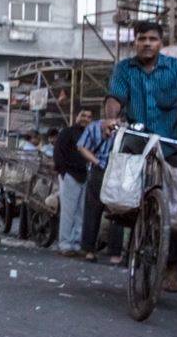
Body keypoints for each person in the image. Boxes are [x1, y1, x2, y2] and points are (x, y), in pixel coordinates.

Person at [104, 21, 177, 293]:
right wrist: (111, 119)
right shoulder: (125, 69)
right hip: (138, 139)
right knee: (120, 187)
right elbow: (115, 98)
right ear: (135, 42)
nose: (147, 43)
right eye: (142, 38)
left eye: (152, 39)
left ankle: (171, 264)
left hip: (171, 142)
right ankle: (128, 222)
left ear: (161, 43)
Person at [77, 116, 126, 264]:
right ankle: (97, 252)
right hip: (105, 171)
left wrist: (96, 161)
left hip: (111, 171)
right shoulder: (95, 127)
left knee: (113, 211)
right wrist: (97, 161)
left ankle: (98, 251)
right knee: (102, 211)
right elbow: (81, 147)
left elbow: (81, 146)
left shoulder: (123, 129)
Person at [53, 111, 91, 256]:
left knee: (81, 212)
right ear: (77, 117)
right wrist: (63, 172)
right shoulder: (67, 133)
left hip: (84, 176)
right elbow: (58, 152)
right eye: (83, 115)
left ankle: (76, 244)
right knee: (68, 212)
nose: (85, 119)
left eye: (89, 117)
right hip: (70, 175)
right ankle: (65, 244)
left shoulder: (90, 135)